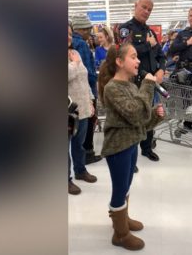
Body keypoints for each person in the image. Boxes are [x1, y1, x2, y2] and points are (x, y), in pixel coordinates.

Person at [98, 43, 165, 251]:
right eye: (133, 57)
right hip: (118, 148)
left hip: (131, 143)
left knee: (126, 186)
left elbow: (138, 120)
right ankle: (120, 234)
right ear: (119, 62)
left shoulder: (130, 86)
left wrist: (154, 115)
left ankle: (123, 219)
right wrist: (148, 85)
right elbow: (135, 112)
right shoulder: (112, 88)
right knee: (119, 189)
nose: (138, 61)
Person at [118, 0, 166, 165]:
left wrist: (161, 70)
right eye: (144, 7)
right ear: (135, 5)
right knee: (133, 118)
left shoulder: (151, 31)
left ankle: (147, 149)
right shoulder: (125, 29)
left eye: (149, 9)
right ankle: (130, 156)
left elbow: (161, 55)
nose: (146, 11)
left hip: (152, 82)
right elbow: (125, 52)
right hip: (134, 83)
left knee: (150, 115)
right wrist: (148, 45)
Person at [68, 24, 98, 195]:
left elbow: (84, 79)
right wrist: (74, 64)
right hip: (67, 110)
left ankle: (80, 171)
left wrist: (91, 101)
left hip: (83, 107)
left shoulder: (75, 53)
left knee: (79, 144)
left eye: (70, 34)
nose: (69, 37)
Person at [71, 14, 103, 165]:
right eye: (88, 29)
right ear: (82, 29)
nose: (90, 32)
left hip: (74, 94)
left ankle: (80, 161)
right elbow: (88, 73)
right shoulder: (81, 45)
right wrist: (93, 90)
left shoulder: (73, 46)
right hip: (85, 92)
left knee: (78, 128)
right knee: (88, 124)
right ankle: (87, 155)